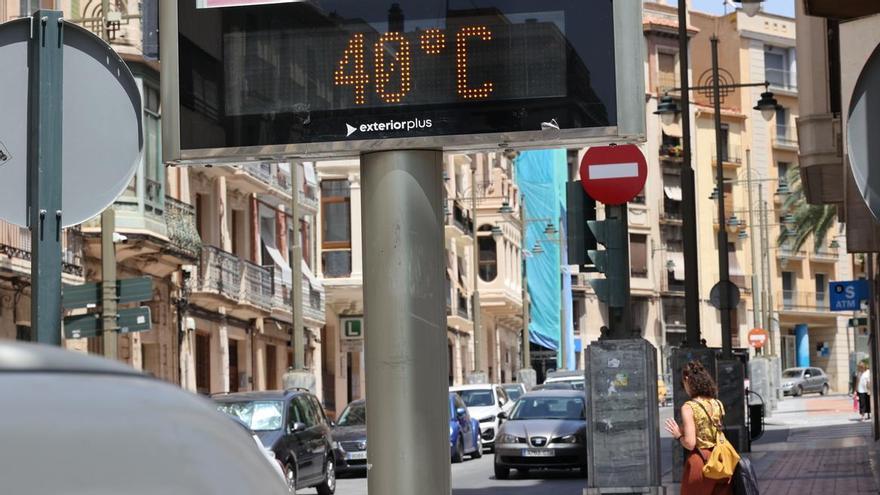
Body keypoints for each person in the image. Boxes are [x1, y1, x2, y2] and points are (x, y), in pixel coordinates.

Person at [664, 361, 733, 495]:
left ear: (688, 380)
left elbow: (690, 444)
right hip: (721, 460)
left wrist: (678, 434)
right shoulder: (717, 403)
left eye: (683, 383)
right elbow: (712, 430)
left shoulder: (689, 407)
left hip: (701, 462)